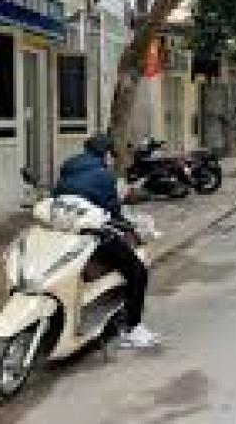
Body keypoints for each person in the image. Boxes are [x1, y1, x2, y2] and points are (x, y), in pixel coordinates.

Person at [54, 134, 159, 349]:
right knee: (137, 271)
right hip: (91, 235)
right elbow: (111, 212)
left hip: (62, 233)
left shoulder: (68, 168)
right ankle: (133, 328)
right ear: (107, 154)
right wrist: (130, 227)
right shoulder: (104, 177)